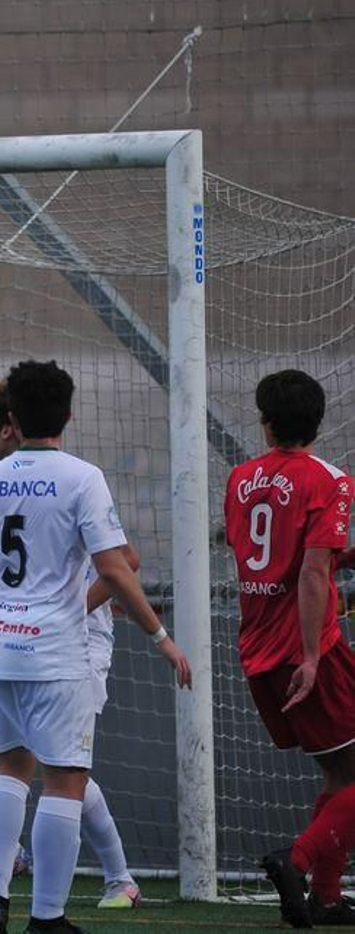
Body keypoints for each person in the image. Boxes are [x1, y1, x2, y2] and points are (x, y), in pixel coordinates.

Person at [0, 360, 191, 934]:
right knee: (64, 778)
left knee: (10, 769)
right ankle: (48, 919)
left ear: (12, 418)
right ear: (69, 415)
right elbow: (116, 565)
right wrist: (160, 637)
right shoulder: (82, 477)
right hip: (55, 651)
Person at [224, 370, 355, 929]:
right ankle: (295, 861)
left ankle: (326, 899)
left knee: (340, 771)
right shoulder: (332, 480)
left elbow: (281, 557)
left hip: (258, 647)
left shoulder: (238, 478)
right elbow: (308, 572)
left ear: (266, 420)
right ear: (318, 421)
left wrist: (339, 561)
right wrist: (309, 655)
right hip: (310, 649)